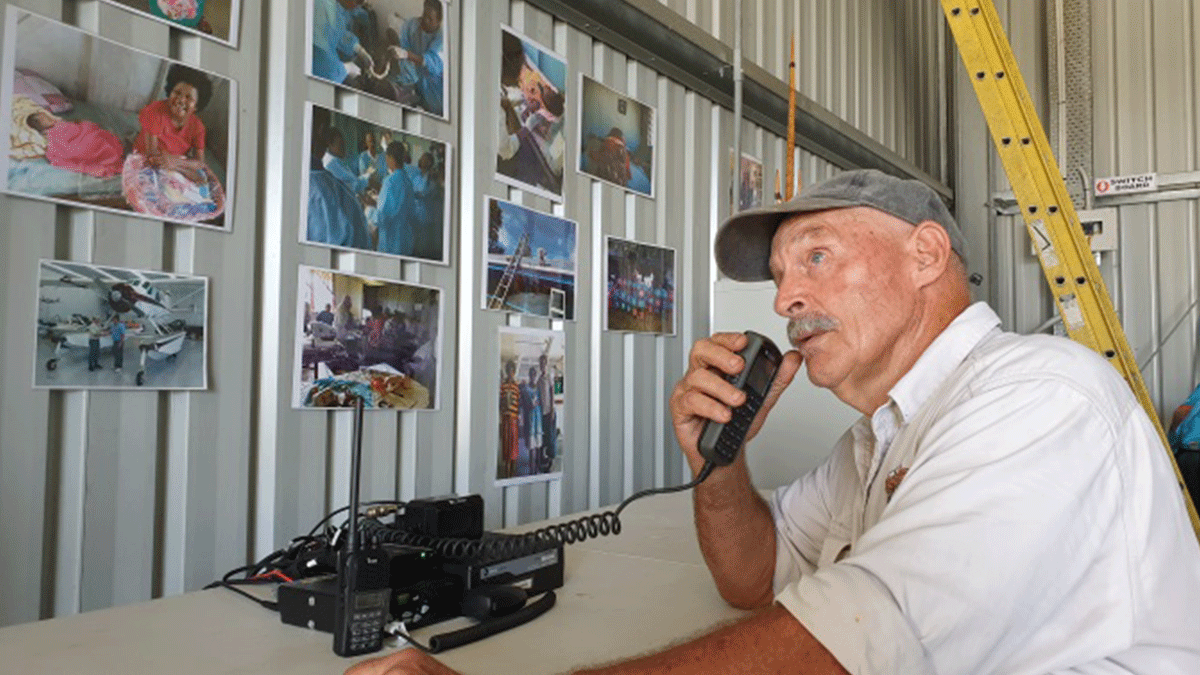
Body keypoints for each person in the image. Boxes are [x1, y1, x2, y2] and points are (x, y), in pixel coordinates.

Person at [347, 169, 1200, 674]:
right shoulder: (877, 437)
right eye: (784, 275)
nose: (787, 298)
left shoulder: (1041, 397)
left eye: (818, 257)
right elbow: (755, 580)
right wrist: (720, 464)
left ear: (927, 255)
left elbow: (851, 645)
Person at [134, 64, 213, 184]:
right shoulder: (153, 111)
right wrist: (185, 170)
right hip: (146, 159)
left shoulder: (198, 127)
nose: (181, 100)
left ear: (196, 106)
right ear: (170, 91)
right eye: (177, 93)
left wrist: (175, 162)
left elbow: (200, 163)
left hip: (173, 162)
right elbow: (152, 158)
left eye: (188, 97)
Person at [10, 95, 124, 178]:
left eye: (45, 115)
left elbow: (80, 129)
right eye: (42, 119)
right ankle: (107, 154)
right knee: (83, 148)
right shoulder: (49, 136)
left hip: (85, 137)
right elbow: (55, 154)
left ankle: (108, 151)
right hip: (77, 146)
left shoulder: (61, 124)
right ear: (39, 126)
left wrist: (84, 126)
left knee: (95, 138)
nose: (47, 118)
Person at [307, 125, 372, 250]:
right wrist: (367, 178)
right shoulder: (330, 166)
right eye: (340, 145)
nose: (344, 148)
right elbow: (353, 185)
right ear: (329, 145)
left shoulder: (337, 163)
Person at [383, 0, 444, 115]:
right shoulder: (411, 25)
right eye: (424, 15)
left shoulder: (442, 40)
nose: (425, 20)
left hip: (434, 86)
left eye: (430, 19)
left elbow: (430, 61)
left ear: (439, 21)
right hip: (413, 77)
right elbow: (404, 47)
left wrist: (406, 55)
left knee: (434, 111)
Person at [370, 140, 416, 257]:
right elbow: (410, 211)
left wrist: (369, 208)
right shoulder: (408, 182)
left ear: (390, 158)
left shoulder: (389, 182)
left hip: (390, 243)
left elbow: (381, 218)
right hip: (405, 242)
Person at [499, 360, 521, 479]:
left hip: (514, 420)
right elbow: (501, 403)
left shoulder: (516, 387)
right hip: (506, 420)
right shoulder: (503, 386)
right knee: (506, 449)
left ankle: (512, 475)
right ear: (507, 372)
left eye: (512, 371)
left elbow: (518, 404)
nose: (510, 373)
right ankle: (506, 475)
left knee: (513, 449)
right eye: (508, 371)